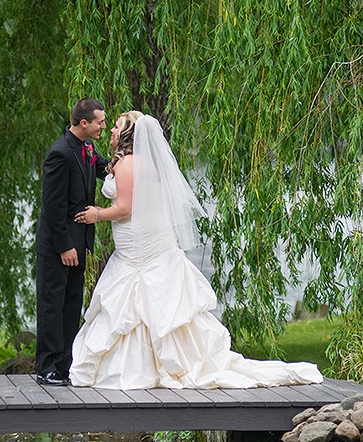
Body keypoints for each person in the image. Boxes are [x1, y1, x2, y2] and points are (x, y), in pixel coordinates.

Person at [68, 111, 324, 389]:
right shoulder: (143, 162)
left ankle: (142, 368)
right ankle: (158, 362)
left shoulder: (128, 164)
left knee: (139, 299)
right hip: (143, 241)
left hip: (139, 247)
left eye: (116, 127)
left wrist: (97, 214)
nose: (111, 132)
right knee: (146, 302)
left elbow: (126, 208)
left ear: (128, 134)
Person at [34, 98, 109, 387]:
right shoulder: (59, 153)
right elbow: (52, 208)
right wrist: (65, 246)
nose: (103, 125)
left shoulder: (87, 147)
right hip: (58, 247)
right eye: (100, 122)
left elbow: (103, 168)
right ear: (83, 123)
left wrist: (126, 159)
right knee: (52, 305)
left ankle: (65, 364)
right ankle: (47, 368)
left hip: (80, 243)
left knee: (71, 304)